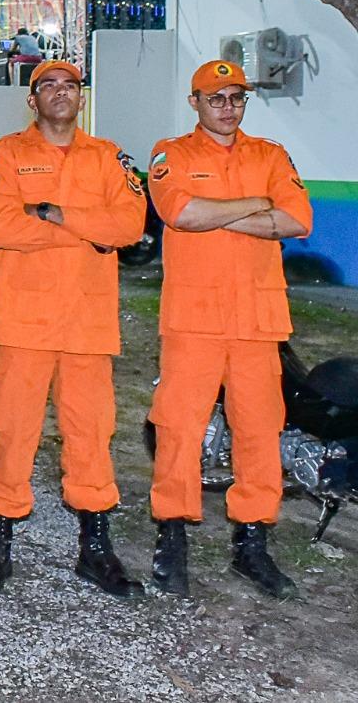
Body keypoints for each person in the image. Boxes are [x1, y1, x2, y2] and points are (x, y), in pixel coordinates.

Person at [0, 60, 147, 598]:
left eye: (69, 85)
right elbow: (3, 226)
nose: (60, 93)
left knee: (91, 435)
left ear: (81, 96)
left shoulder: (109, 157)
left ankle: (96, 551)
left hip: (87, 324)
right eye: (48, 85)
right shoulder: (7, 153)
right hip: (23, 322)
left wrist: (50, 212)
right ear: (33, 99)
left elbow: (129, 227)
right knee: (12, 432)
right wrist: (88, 231)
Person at [146, 60, 313, 599]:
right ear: (195, 101)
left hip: (257, 321)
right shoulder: (171, 153)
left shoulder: (270, 154)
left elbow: (298, 220)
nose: (228, 107)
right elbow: (182, 215)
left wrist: (219, 213)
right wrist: (258, 206)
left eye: (237, 98)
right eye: (216, 98)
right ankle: (172, 537)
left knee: (261, 430)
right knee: (179, 427)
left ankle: (252, 544)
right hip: (195, 319)